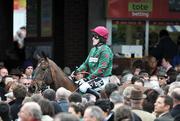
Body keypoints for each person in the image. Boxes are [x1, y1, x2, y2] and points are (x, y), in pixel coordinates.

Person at [71, 26, 113, 98]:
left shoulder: (105, 50)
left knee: (83, 87)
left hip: (103, 79)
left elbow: (101, 69)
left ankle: (100, 100)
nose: (92, 38)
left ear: (101, 38)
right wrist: (77, 71)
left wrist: (87, 78)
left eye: (95, 36)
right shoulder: (93, 50)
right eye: (93, 36)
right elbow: (85, 64)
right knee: (76, 84)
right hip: (93, 78)